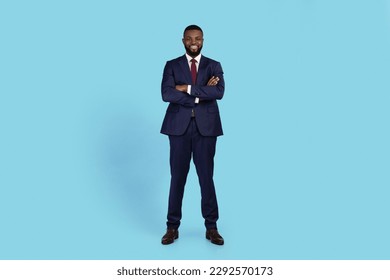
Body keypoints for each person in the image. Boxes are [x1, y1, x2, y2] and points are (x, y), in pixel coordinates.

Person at [160, 25, 225, 245]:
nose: (193, 42)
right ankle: (172, 227)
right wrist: (200, 94)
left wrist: (186, 88)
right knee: (177, 178)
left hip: (206, 129)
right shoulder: (172, 65)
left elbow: (219, 92)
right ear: (183, 40)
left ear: (203, 40)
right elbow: (166, 93)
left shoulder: (213, 65)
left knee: (206, 178)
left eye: (197, 38)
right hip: (178, 129)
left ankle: (212, 227)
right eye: (189, 39)